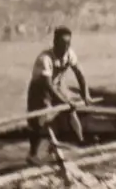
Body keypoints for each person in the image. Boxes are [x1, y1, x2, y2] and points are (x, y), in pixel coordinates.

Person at [25, 26, 89, 160]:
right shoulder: (45, 59)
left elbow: (80, 74)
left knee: (71, 111)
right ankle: (32, 154)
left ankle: (81, 143)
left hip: (57, 86)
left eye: (68, 44)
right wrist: (64, 101)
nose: (65, 48)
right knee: (39, 122)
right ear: (55, 42)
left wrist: (85, 94)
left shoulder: (70, 54)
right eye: (62, 44)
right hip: (40, 90)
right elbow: (47, 85)